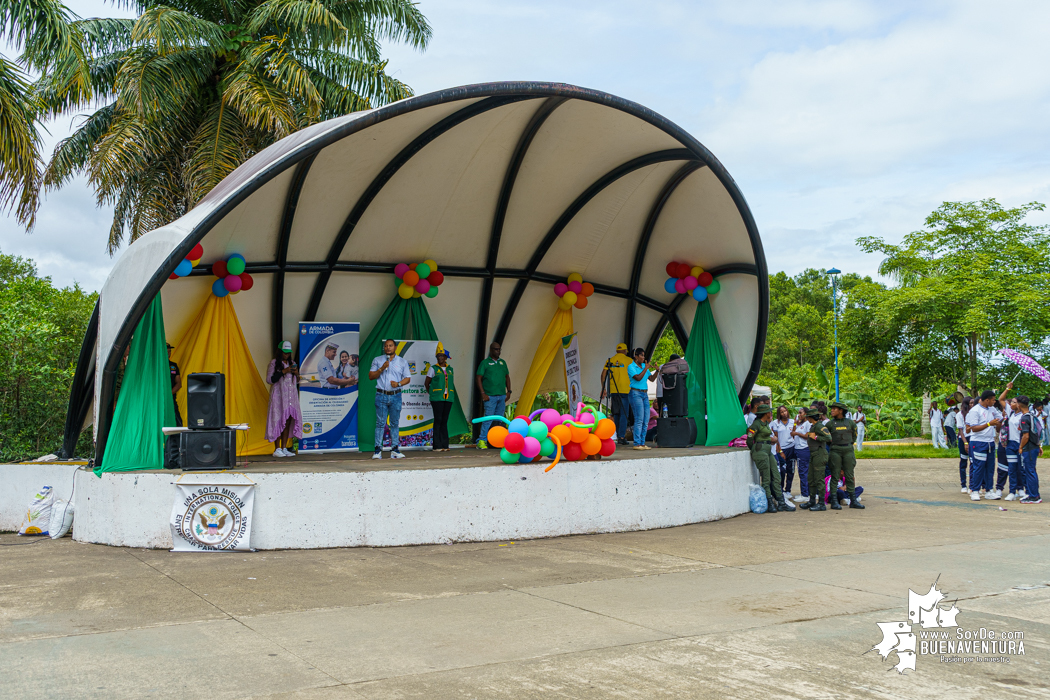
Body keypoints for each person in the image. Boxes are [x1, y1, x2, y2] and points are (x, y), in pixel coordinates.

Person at [746, 405, 794, 512]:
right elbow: (749, 439)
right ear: (766, 413)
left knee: (777, 476)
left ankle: (781, 502)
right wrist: (754, 449)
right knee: (766, 479)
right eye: (769, 412)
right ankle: (770, 503)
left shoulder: (766, 423)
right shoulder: (756, 424)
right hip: (760, 451)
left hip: (768, 450)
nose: (770, 413)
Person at [369, 339, 411, 459]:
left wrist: (398, 384)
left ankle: (395, 450)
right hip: (381, 395)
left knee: (394, 423)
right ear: (384, 348)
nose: (388, 348)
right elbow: (371, 376)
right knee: (380, 423)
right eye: (386, 346)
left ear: (395, 347)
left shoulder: (402, 362)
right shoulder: (378, 360)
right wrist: (382, 368)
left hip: (396, 395)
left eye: (390, 346)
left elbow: (408, 378)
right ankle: (377, 450)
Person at [266, 340, 303, 457]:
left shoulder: (292, 362)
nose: (286, 355)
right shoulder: (273, 363)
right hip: (278, 397)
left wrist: (296, 373)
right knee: (278, 420)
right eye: (284, 352)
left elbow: (298, 381)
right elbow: (269, 380)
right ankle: (277, 449)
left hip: (290, 397)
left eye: (288, 353)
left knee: (287, 421)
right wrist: (284, 371)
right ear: (280, 351)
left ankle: (284, 447)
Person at [965, 390, 1002, 500]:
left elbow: (1000, 417)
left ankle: (989, 490)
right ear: (987, 400)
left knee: (990, 467)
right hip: (978, 441)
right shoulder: (975, 411)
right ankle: (975, 490)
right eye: (993, 400)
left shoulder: (992, 409)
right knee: (979, 467)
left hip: (990, 442)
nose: (994, 402)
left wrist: (1002, 418)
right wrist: (989, 424)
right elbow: (974, 428)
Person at [827, 401, 863, 510]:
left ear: (841, 410)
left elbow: (854, 436)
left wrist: (846, 444)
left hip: (848, 450)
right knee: (835, 474)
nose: (832, 410)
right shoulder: (830, 424)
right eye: (831, 408)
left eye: (834, 408)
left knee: (849, 474)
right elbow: (827, 439)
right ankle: (834, 501)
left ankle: (853, 501)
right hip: (835, 450)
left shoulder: (850, 423)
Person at [475, 342, 512, 447]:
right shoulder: (485, 363)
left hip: (501, 395)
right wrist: (483, 393)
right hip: (490, 396)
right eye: (496, 349)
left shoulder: (502, 363)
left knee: (499, 419)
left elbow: (507, 377)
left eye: (499, 349)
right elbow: (478, 378)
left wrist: (509, 391)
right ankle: (481, 440)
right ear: (491, 350)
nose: (498, 351)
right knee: (488, 418)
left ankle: (496, 441)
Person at [424, 343, 457, 452]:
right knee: (438, 420)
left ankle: (445, 445)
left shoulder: (450, 369)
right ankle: (437, 446)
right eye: (438, 356)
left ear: (446, 358)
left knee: (444, 420)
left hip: (448, 398)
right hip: (437, 398)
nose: (440, 358)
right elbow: (427, 383)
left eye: (442, 356)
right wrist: (432, 393)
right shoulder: (433, 369)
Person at [601, 342, 633, 445]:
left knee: (616, 414)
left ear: (617, 351)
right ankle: (621, 436)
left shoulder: (610, 360)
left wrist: (603, 388)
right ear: (625, 351)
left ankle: (618, 435)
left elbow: (603, 374)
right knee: (624, 414)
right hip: (625, 390)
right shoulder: (629, 360)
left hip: (614, 390)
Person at [799, 407, 830, 511]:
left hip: (819, 455)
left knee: (819, 479)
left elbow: (828, 437)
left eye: (808, 417)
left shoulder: (819, 426)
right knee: (811, 478)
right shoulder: (813, 426)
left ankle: (821, 503)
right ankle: (812, 500)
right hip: (813, 455)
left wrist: (816, 437)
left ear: (810, 417)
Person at [626, 348, 657, 450]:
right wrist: (646, 368)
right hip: (635, 393)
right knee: (639, 419)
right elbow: (638, 378)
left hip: (644, 394)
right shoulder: (631, 367)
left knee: (645, 419)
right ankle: (637, 443)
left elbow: (651, 379)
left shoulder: (644, 366)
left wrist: (657, 370)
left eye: (644, 356)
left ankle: (642, 443)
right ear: (636, 356)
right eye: (642, 356)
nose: (644, 358)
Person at [1017, 395, 1043, 504]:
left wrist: (1020, 447)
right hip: (1034, 446)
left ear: (1019, 405)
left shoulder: (1024, 418)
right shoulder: (1032, 415)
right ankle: (1035, 494)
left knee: (1030, 471)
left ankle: (1033, 496)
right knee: (1032, 470)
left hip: (1029, 448)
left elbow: (1026, 436)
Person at [1004, 396, 1028, 501]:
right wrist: (1008, 388)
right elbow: (1001, 399)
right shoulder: (1011, 413)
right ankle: (1012, 492)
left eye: (1013, 402)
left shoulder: (1023, 416)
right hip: (1010, 444)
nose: (1010, 404)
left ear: (1018, 404)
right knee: (1012, 469)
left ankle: (1024, 490)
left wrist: (1021, 446)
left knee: (1022, 468)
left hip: (1020, 444)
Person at [770, 406, 794, 497]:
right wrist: (780, 451)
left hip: (791, 448)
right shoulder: (776, 423)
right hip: (781, 449)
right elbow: (776, 438)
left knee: (791, 470)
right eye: (781, 412)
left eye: (785, 411)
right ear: (779, 414)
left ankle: (788, 490)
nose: (784, 413)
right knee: (782, 470)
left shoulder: (792, 422)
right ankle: (781, 489)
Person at [790, 407, 811, 504]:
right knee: (801, 472)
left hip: (803, 450)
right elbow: (792, 434)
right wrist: (795, 423)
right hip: (798, 449)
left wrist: (797, 433)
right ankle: (804, 492)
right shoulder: (801, 424)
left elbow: (808, 436)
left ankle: (805, 494)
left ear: (806, 413)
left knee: (803, 472)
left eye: (801, 413)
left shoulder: (807, 424)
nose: (799, 415)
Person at [957, 397, 972, 493]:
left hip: (973, 439)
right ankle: (963, 484)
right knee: (963, 462)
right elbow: (961, 431)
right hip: (963, 439)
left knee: (973, 462)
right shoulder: (959, 415)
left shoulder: (974, 413)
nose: (972, 404)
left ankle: (972, 484)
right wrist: (965, 443)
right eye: (970, 403)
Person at [167, 343, 182, 427]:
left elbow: (178, 383)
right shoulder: (156, 366)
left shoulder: (173, 366)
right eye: (167, 351)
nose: (169, 353)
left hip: (171, 398)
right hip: (157, 399)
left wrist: (169, 394)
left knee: (178, 422)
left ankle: (179, 439)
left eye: (170, 351)